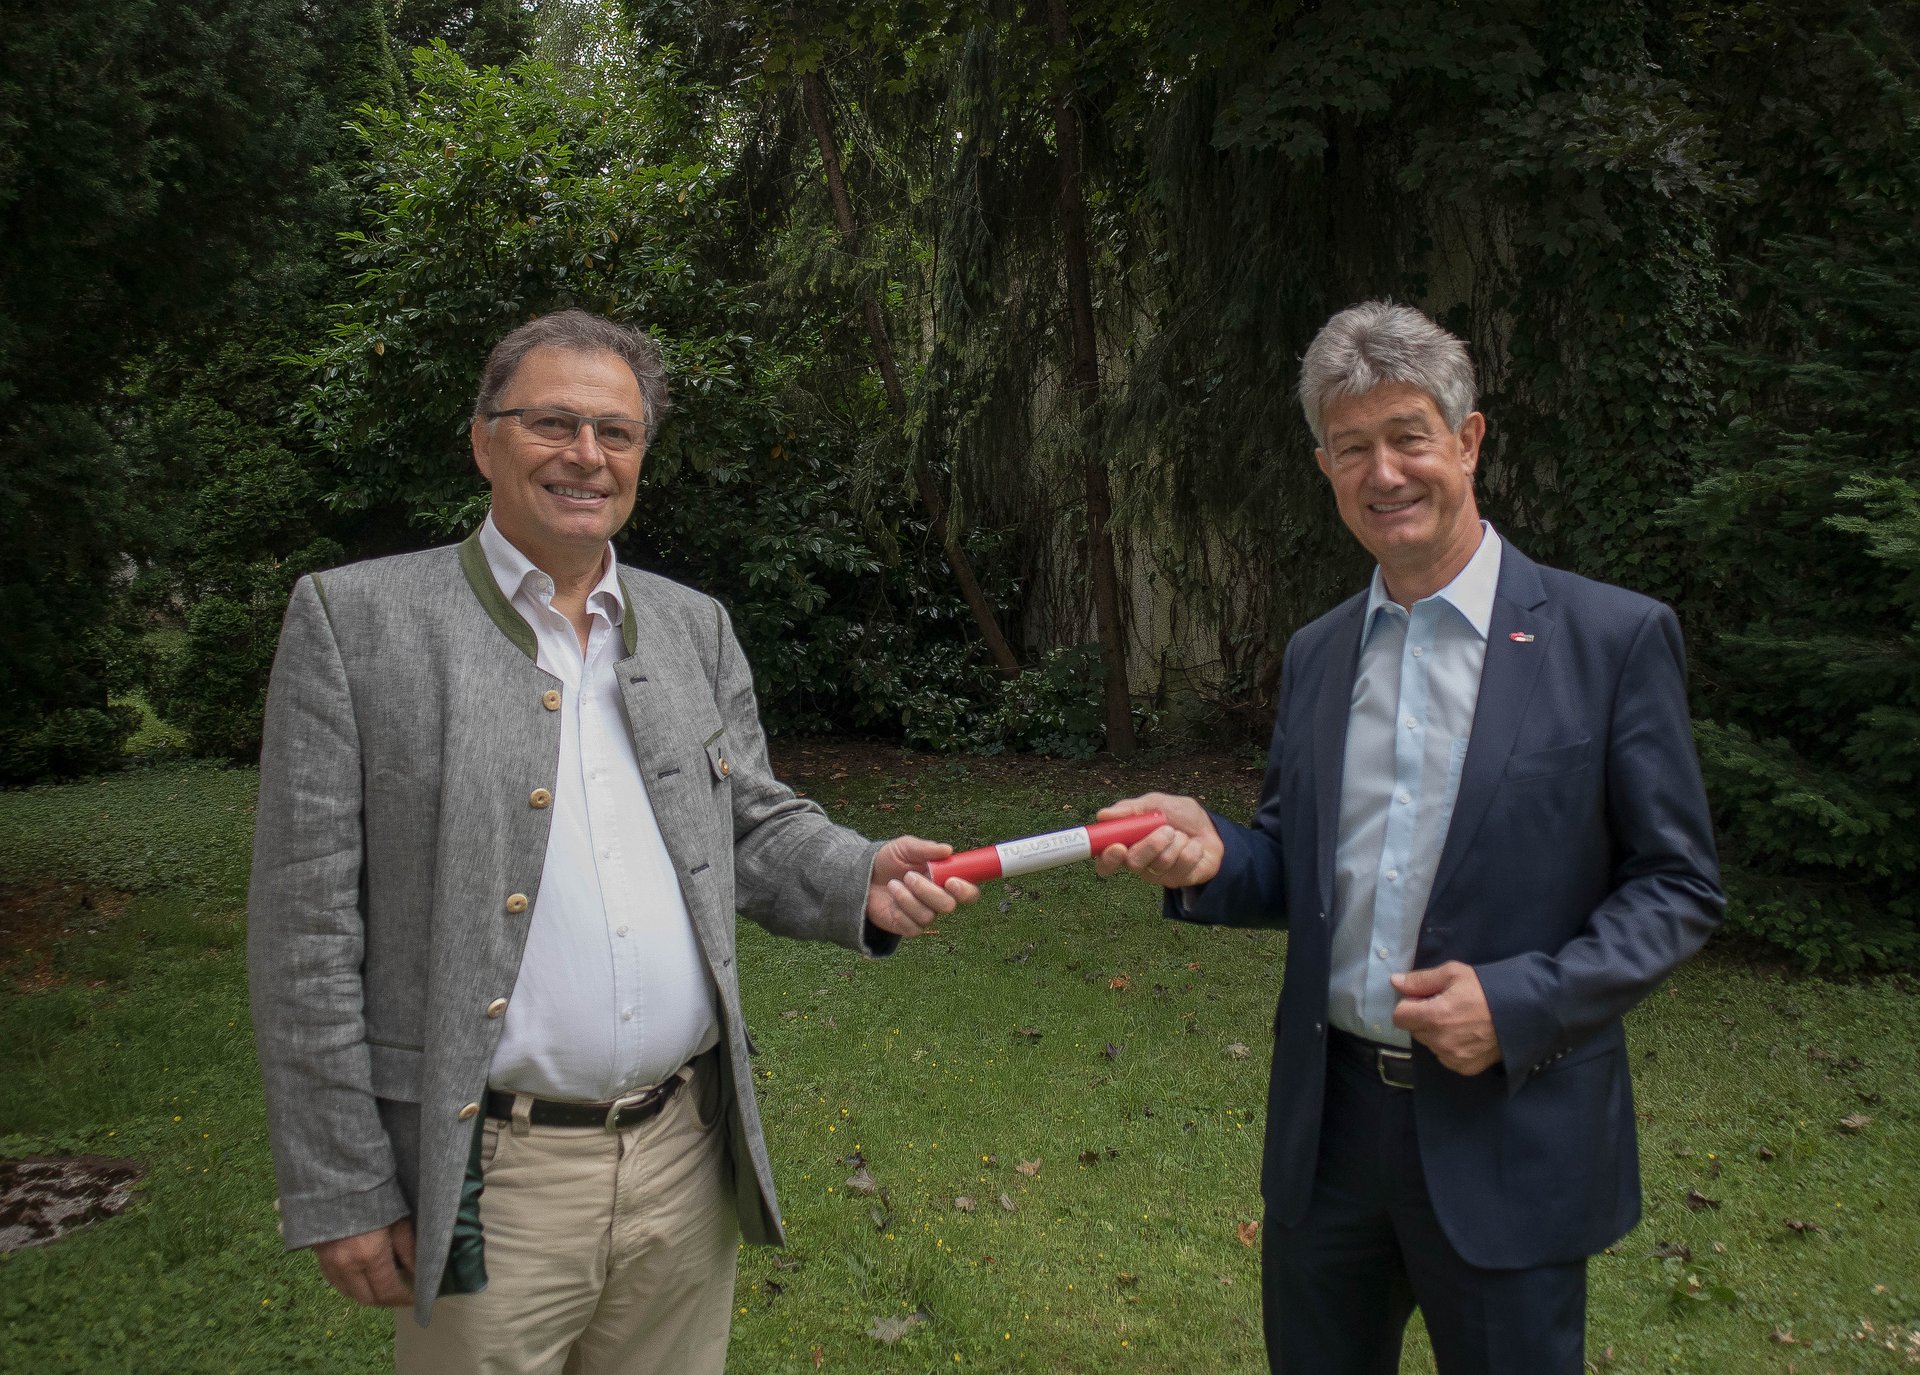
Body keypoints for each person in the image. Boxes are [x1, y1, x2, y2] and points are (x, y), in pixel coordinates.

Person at [247, 309, 978, 1374]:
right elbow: (303, 930)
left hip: (686, 1157)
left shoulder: (692, 626)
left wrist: (860, 873)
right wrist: (343, 1180)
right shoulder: (355, 625)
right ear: (484, 438)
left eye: (617, 432)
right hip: (489, 1174)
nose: (587, 455)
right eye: (553, 422)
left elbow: (751, 821)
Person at [1097, 301, 1724, 1374]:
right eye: (1352, 449)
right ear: (1324, 465)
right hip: (1329, 1133)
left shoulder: (1612, 639)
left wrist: (1524, 1002)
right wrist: (1215, 855)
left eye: (1408, 437)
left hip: (1509, 1133)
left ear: (1468, 441)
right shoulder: (1320, 652)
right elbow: (1299, 862)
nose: (1383, 472)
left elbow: (1676, 886)